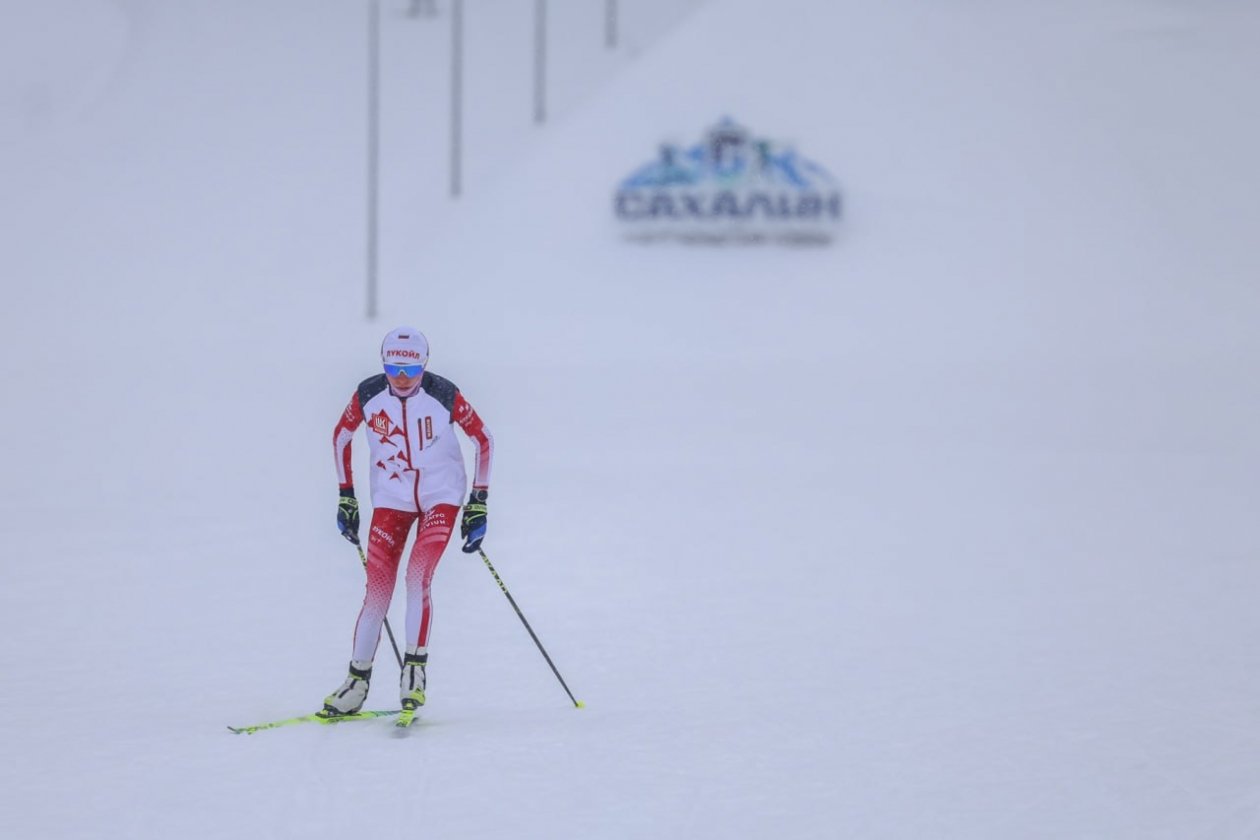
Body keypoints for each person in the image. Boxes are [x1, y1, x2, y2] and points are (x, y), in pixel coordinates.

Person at [322, 327, 493, 716]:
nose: (401, 377)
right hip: (392, 499)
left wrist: (478, 501)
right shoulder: (368, 394)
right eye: (393, 367)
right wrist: (346, 496)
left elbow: (483, 439)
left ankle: (413, 672)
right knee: (376, 591)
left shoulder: (443, 393)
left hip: (441, 497)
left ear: (424, 364)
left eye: (411, 368)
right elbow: (340, 438)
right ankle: (356, 682)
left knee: (417, 578)